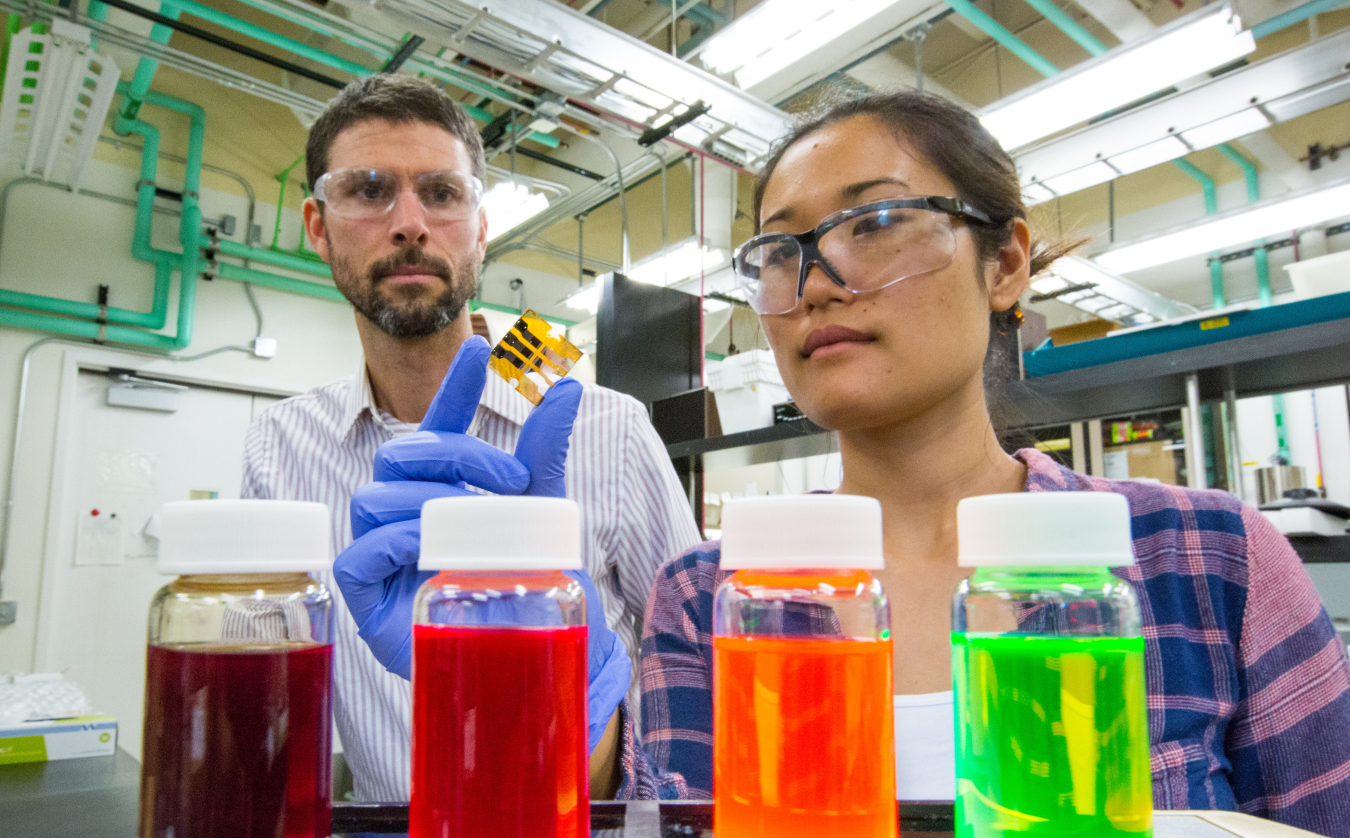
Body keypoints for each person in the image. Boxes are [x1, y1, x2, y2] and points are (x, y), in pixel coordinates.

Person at [636, 91, 1350, 835]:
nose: (814, 284)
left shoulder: (1207, 558)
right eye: (781, 253)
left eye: (875, 223)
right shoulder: (710, 592)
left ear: (1004, 263)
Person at [240, 74, 699, 801]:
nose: (410, 223)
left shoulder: (606, 429)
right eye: (368, 189)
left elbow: (703, 664)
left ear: (482, 229)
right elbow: (260, 700)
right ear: (318, 226)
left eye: (443, 193)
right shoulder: (280, 445)